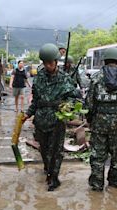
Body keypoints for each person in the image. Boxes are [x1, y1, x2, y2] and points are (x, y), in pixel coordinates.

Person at [23, 43, 78, 191]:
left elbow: (73, 98)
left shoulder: (65, 78)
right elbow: (35, 100)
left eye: (50, 63)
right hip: (41, 120)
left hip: (57, 119)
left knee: (56, 150)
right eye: (45, 63)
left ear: (56, 62)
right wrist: (28, 114)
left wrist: (68, 107)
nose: (48, 66)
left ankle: (54, 178)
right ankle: (48, 168)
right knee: (44, 149)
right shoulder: (39, 77)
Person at [85, 47, 117, 191]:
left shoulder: (96, 77)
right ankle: (114, 184)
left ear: (105, 60)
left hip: (99, 121)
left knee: (97, 155)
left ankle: (96, 185)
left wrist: (89, 118)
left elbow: (89, 102)